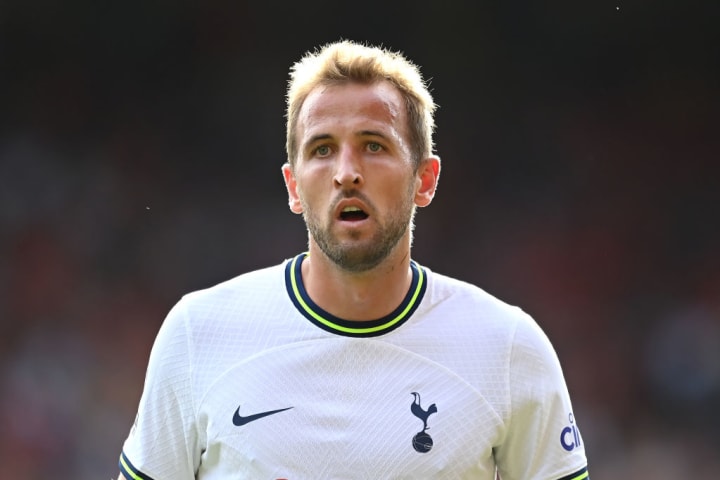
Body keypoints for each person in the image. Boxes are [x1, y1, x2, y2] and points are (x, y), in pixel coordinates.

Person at [117, 39, 590, 480]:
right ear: (293, 186)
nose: (347, 173)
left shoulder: (507, 348)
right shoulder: (198, 335)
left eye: (373, 145)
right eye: (322, 150)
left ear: (425, 179)